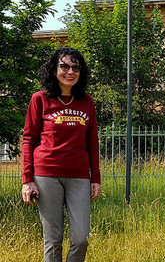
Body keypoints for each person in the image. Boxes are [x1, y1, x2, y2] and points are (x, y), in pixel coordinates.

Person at [21, 47, 101, 262]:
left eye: (75, 68)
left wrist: (96, 178)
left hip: (79, 177)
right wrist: (27, 180)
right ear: (54, 69)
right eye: (64, 66)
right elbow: (29, 139)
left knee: (81, 238)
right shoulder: (40, 99)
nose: (70, 72)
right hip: (47, 175)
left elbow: (93, 144)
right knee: (53, 240)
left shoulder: (87, 102)